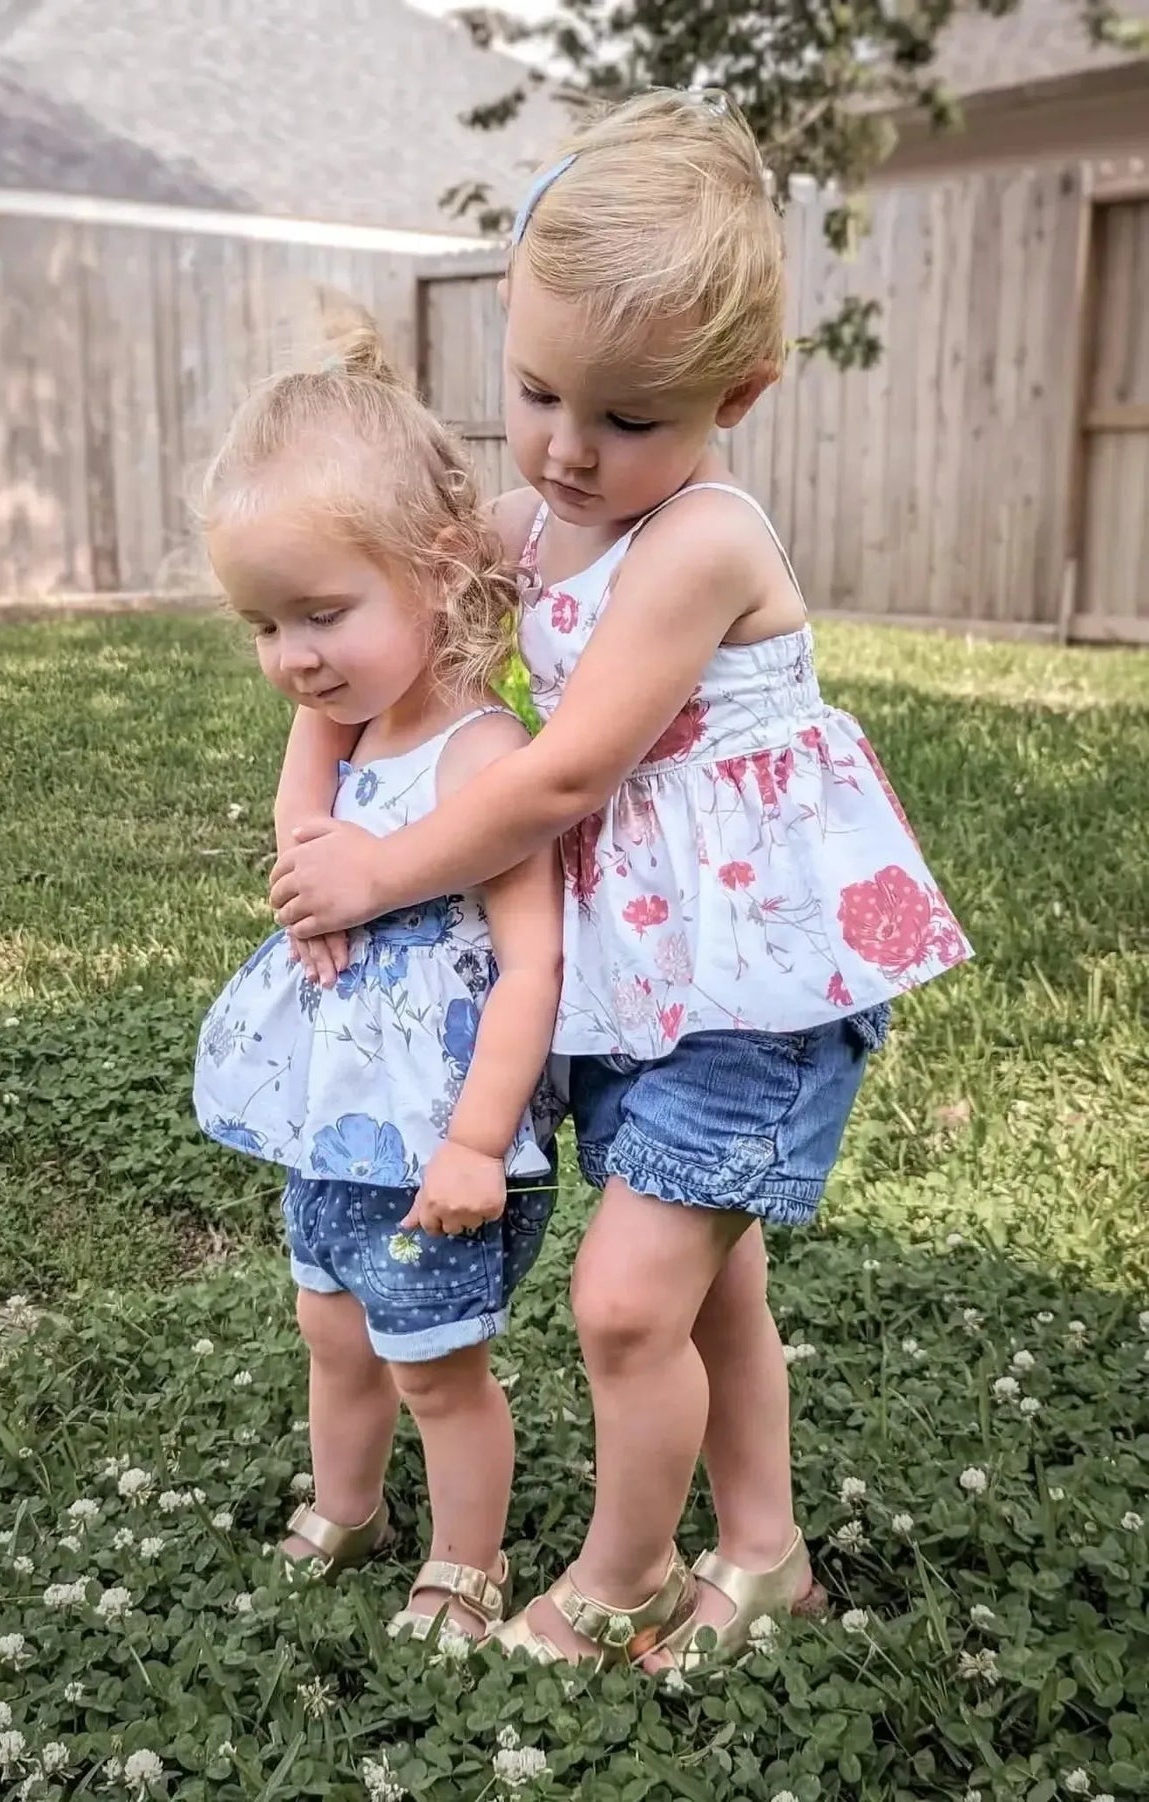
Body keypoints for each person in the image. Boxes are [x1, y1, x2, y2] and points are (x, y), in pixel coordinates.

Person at [266, 91, 971, 1668]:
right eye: (534, 393)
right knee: (711, 1292)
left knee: (626, 1302)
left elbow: (565, 773)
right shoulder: (541, 518)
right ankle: (767, 1549)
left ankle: (623, 1575)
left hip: (756, 988)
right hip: (645, 974)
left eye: (630, 417)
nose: (571, 449)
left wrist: (379, 870)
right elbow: (394, 593)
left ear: (742, 392)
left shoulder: (704, 541)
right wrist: (319, 672)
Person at [192, 320, 564, 1645]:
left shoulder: (484, 757)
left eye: (322, 614)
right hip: (336, 1134)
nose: (294, 655)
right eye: (265, 624)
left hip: (436, 1150)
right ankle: (347, 1504)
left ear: (441, 569)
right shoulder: (344, 734)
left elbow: (536, 963)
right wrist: (314, 801)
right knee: (331, 1332)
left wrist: (477, 1144)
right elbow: (305, 801)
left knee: (437, 1368)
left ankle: (465, 1559)